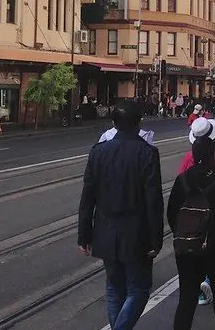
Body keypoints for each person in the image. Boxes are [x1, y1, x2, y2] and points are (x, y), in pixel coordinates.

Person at [79, 103, 164, 330]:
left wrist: (83, 235)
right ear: (139, 125)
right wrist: (157, 238)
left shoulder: (98, 152)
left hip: (105, 231)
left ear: (113, 124)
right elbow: (153, 200)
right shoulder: (147, 153)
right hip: (137, 233)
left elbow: (88, 197)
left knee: (114, 288)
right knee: (139, 288)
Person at [168, 135, 215, 330]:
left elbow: (172, 214)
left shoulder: (182, 180)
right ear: (214, 156)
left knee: (187, 298)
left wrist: (183, 236)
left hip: (187, 247)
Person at [177, 117, 215, 306]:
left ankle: (200, 288)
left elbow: (181, 184)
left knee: (197, 246)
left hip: (196, 213)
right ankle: (212, 283)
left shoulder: (189, 158)